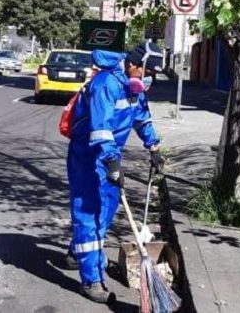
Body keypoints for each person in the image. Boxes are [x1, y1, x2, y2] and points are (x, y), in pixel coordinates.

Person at [64, 42, 167, 304]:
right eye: (147, 72)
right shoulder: (106, 85)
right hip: (87, 156)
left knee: (107, 209)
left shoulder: (134, 87)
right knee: (89, 212)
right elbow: (100, 129)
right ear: (133, 64)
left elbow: (141, 117)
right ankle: (92, 279)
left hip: (110, 157)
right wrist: (111, 162)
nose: (148, 79)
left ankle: (78, 251)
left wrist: (153, 146)